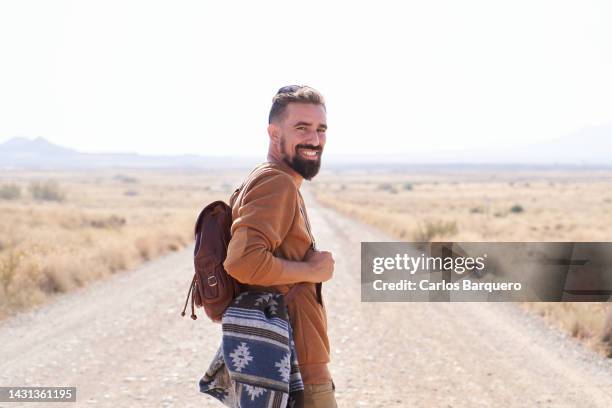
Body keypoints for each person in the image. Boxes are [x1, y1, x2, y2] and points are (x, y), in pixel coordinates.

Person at [223, 85, 337, 407]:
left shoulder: (274, 178)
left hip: (289, 359)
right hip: (295, 368)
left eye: (320, 129)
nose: (314, 139)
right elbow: (243, 262)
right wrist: (311, 270)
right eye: (301, 128)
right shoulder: (277, 181)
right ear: (274, 133)